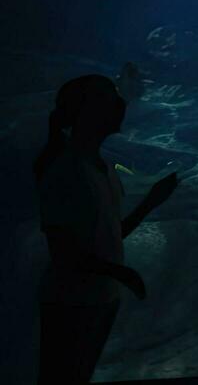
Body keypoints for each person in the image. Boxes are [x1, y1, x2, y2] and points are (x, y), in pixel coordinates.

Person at [35, 74, 178, 385]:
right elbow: (63, 253)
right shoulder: (67, 171)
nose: (120, 103)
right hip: (70, 302)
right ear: (85, 111)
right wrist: (120, 273)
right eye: (107, 97)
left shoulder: (104, 169)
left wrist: (150, 203)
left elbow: (109, 237)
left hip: (100, 299)